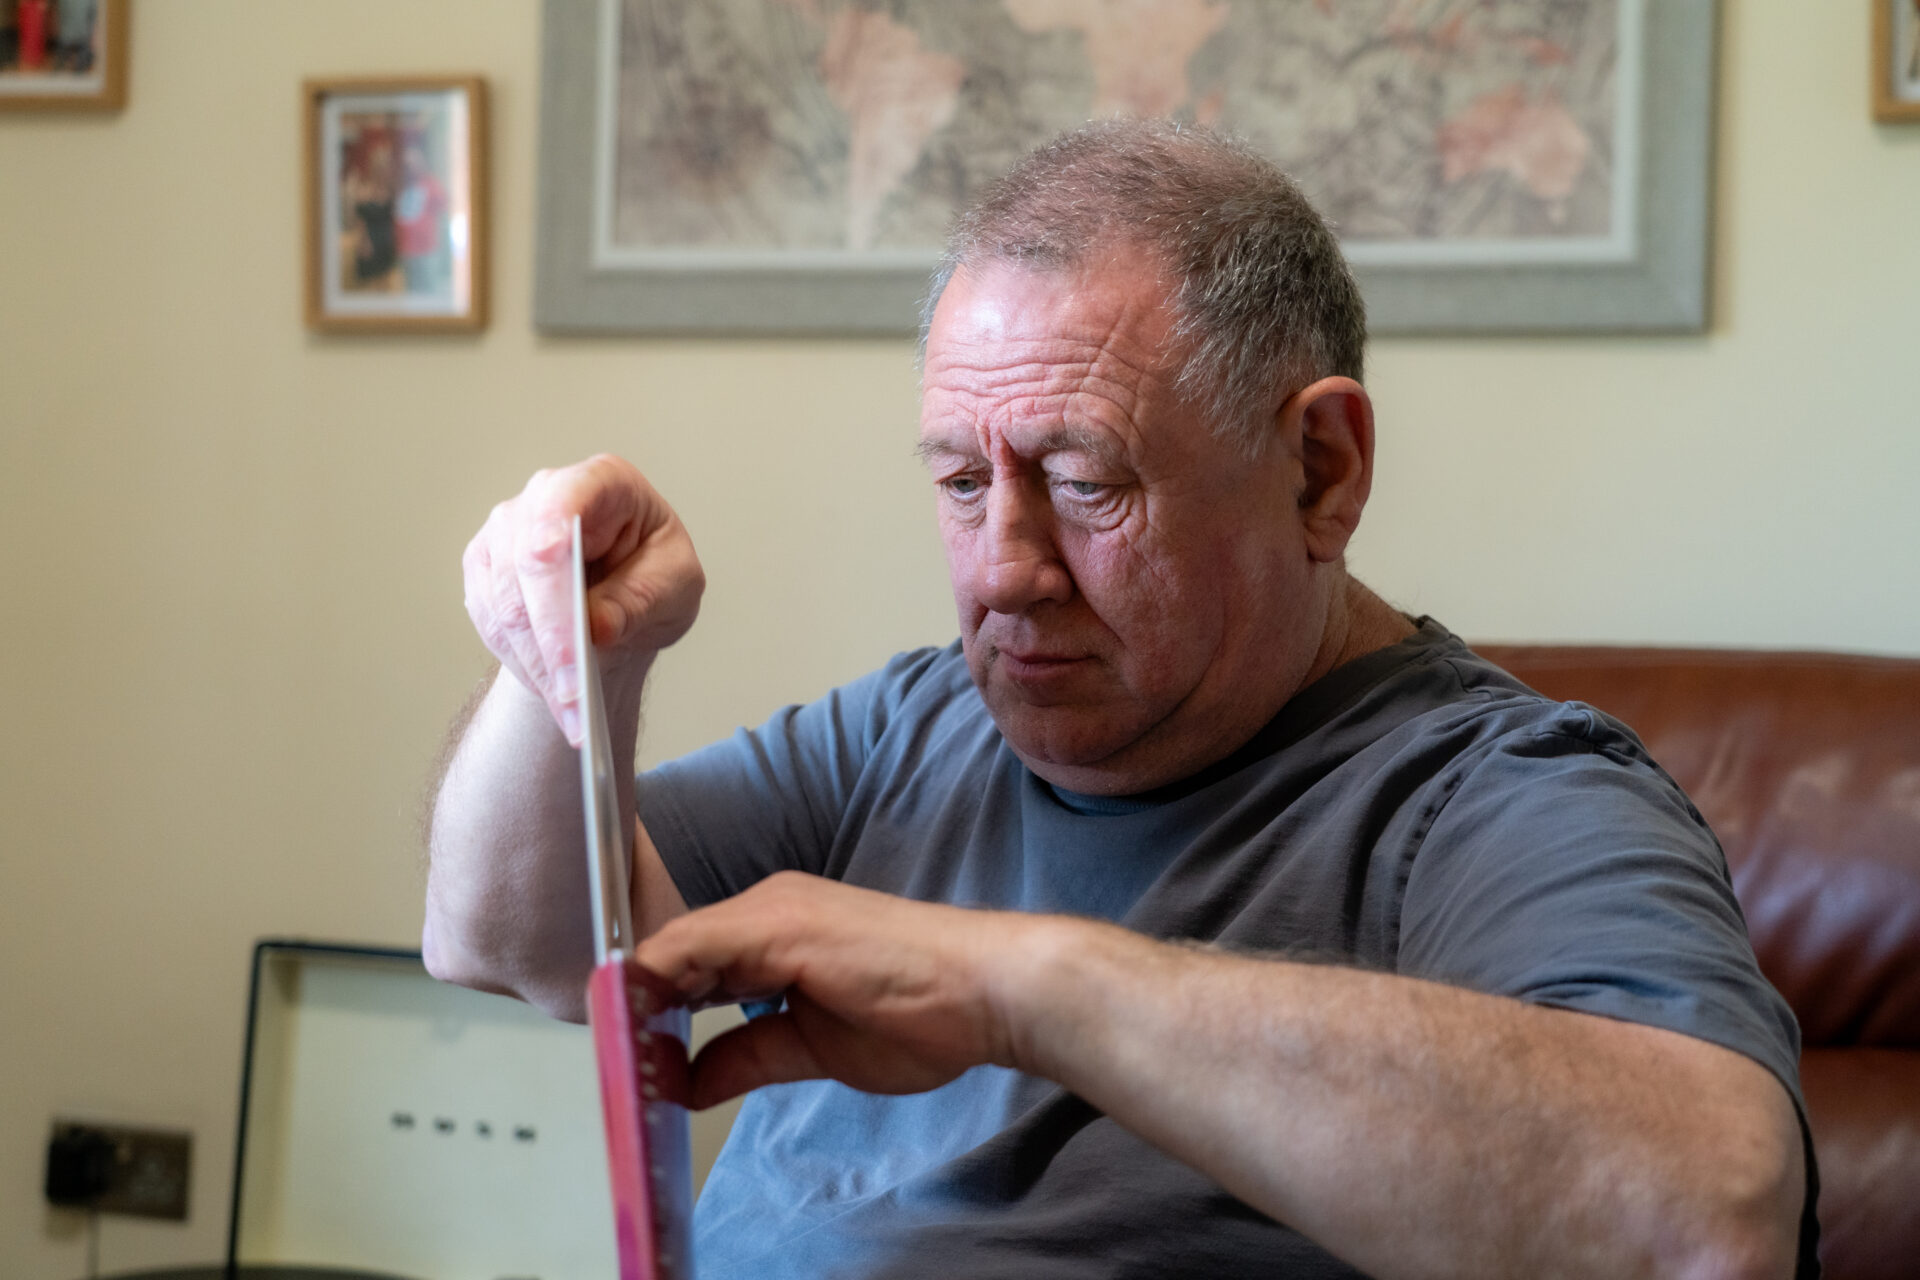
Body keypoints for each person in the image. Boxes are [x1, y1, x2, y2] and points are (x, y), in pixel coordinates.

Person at [425, 121, 1813, 1279]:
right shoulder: (912, 725)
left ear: (1321, 471)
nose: (1003, 571)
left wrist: (1020, 985)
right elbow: (508, 940)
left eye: (1087, 483)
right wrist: (571, 666)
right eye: (961, 482)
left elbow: (1708, 1212)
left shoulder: (1496, 794)